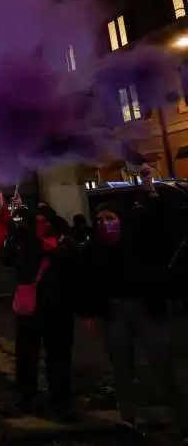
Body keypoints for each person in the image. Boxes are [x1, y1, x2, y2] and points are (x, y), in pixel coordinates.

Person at [79, 174, 188, 442]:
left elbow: (161, 227)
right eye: (101, 220)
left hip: (144, 306)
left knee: (162, 364)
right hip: (114, 311)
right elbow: (89, 281)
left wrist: (150, 192)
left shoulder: (138, 242)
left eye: (111, 219)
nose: (106, 224)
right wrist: (91, 311)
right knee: (122, 365)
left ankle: (183, 420)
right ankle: (128, 418)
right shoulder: (94, 249)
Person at [11, 207, 77, 420]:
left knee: (58, 357)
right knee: (26, 356)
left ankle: (60, 399)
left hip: (58, 309)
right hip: (30, 310)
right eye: (36, 221)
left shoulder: (63, 242)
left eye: (45, 221)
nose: (41, 225)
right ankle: (26, 395)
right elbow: (11, 261)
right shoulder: (25, 243)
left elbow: (67, 263)